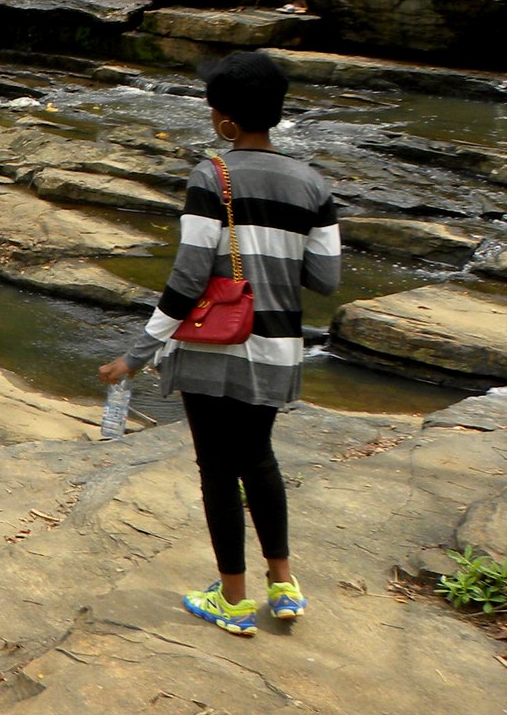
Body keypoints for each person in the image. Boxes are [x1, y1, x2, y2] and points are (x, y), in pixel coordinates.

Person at [98, 50, 340, 636]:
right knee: (258, 459)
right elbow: (325, 278)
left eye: (214, 107)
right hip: (278, 348)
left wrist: (138, 352)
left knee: (216, 469)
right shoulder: (313, 183)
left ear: (228, 120)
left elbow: (187, 277)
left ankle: (232, 598)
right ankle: (283, 586)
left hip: (214, 349)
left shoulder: (214, 175)